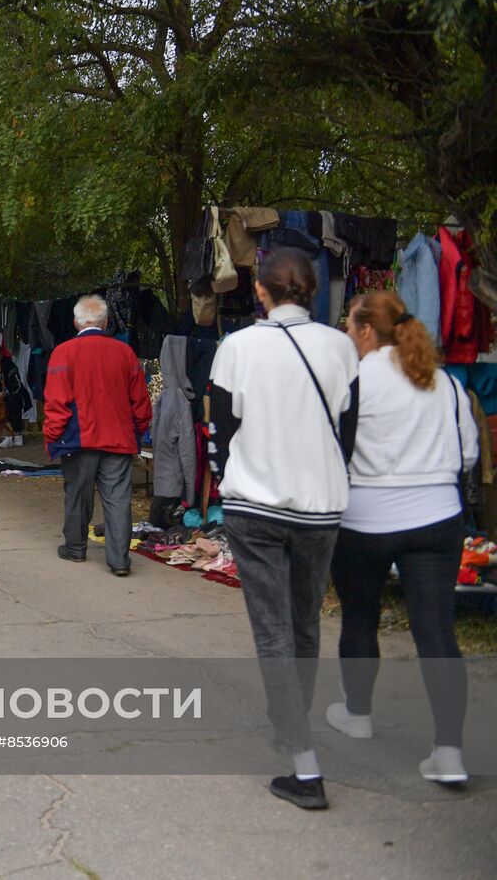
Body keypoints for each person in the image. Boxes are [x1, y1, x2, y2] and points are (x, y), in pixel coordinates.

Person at [207, 247, 359, 810]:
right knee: (304, 627)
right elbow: (348, 431)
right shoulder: (342, 348)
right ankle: (291, 729)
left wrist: (228, 480)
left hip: (255, 505)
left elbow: (221, 430)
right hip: (321, 506)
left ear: (261, 293)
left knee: (272, 631)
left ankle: (302, 760)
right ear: (314, 291)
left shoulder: (238, 347)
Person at [327, 291, 477, 784]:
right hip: (437, 519)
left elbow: (332, 448)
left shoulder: (352, 381)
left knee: (360, 617)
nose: (348, 336)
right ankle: (449, 751)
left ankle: (358, 714)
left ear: (368, 331)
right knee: (436, 632)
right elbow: (468, 454)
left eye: (351, 327)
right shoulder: (446, 383)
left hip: (365, 520)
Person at [43, 295, 151, 577]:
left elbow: (56, 402)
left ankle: (76, 548)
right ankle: (119, 560)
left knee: (78, 494)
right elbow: (140, 401)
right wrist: (138, 430)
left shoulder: (64, 353)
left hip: (79, 438)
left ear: (76, 321)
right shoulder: (125, 352)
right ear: (105, 322)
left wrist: (52, 437)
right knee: (117, 498)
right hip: (118, 437)